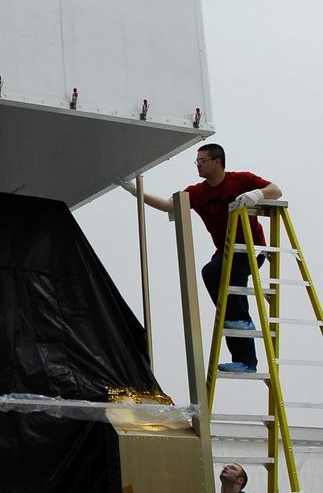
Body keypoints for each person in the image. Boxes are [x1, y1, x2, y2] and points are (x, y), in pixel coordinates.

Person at [120, 144, 282, 372]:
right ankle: (244, 352)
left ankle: (241, 331)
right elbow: (169, 205)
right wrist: (135, 191)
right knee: (223, 287)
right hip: (226, 253)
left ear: (217, 161)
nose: (198, 165)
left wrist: (257, 194)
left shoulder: (241, 180)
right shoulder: (198, 192)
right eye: (196, 162)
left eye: (202, 161)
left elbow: (276, 190)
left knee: (216, 276)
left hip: (250, 249)